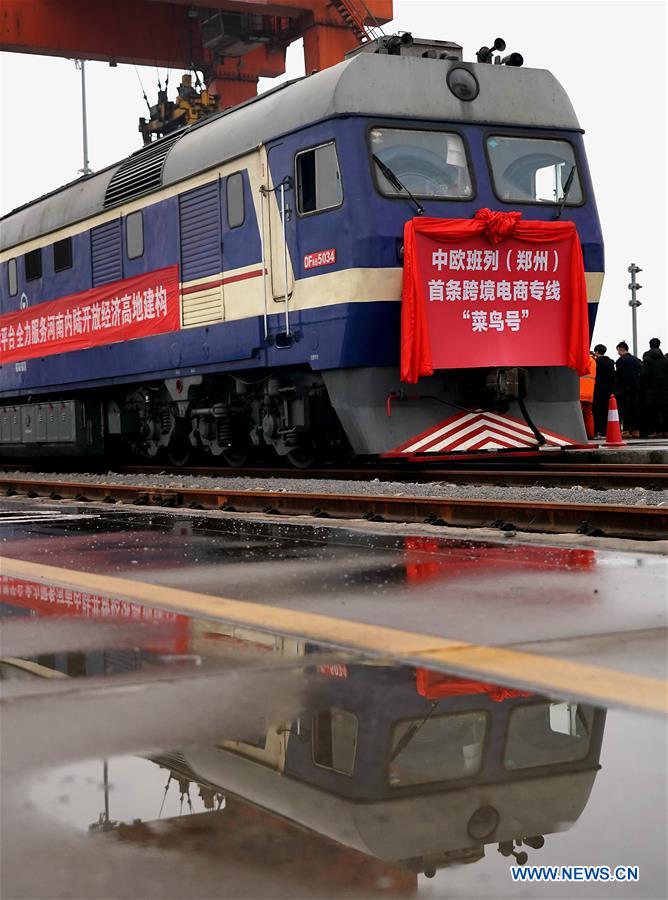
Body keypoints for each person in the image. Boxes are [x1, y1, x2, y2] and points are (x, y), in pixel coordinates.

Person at [640, 338, 668, 436]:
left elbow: (643, 374)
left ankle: (656, 431)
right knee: (665, 411)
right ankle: (666, 431)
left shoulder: (647, 359)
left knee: (653, 411)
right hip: (664, 390)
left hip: (651, 390)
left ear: (650, 345)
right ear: (659, 345)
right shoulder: (665, 360)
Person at [615, 341, 642, 437]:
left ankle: (626, 430)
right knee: (635, 409)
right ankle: (636, 430)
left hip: (624, 389)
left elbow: (618, 376)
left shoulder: (620, 361)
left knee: (625, 409)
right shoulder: (636, 360)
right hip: (636, 388)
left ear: (621, 349)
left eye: (618, 350)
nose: (618, 353)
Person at [592, 344, 615, 437]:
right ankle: (605, 431)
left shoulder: (596, 362)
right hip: (608, 390)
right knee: (606, 410)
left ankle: (598, 430)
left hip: (598, 390)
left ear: (596, 351)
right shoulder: (610, 362)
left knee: (597, 411)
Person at [579, 352, 597, 438]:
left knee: (578, 414)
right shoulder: (593, 361)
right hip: (590, 393)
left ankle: (577, 435)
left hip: (579, 392)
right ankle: (590, 434)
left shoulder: (581, 360)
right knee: (588, 414)